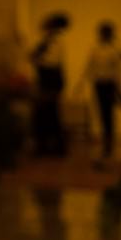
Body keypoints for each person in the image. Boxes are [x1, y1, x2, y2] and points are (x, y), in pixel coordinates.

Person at [79, 21, 121, 163]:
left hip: (110, 85)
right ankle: (105, 141)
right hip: (98, 85)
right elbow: (89, 66)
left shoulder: (115, 50)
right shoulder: (95, 49)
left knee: (109, 114)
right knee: (101, 112)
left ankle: (109, 143)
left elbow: (118, 72)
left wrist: (119, 89)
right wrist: (82, 82)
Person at [30, 12, 70, 158]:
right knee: (45, 113)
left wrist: (36, 59)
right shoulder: (47, 40)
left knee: (50, 113)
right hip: (46, 78)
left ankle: (56, 147)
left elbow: (52, 62)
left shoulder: (56, 41)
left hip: (51, 79)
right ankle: (48, 147)